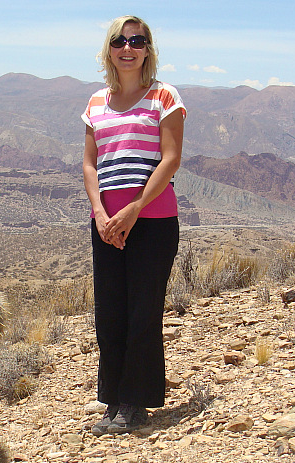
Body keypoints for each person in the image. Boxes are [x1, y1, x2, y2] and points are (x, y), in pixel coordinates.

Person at [81, 15, 186, 435]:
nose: (128, 48)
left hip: (153, 220)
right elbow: (90, 164)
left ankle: (137, 403)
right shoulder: (95, 103)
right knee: (110, 313)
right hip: (105, 223)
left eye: (136, 41)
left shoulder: (164, 96)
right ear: (109, 49)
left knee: (143, 312)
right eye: (119, 41)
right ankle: (112, 400)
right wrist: (102, 213)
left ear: (147, 49)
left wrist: (134, 208)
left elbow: (171, 159)